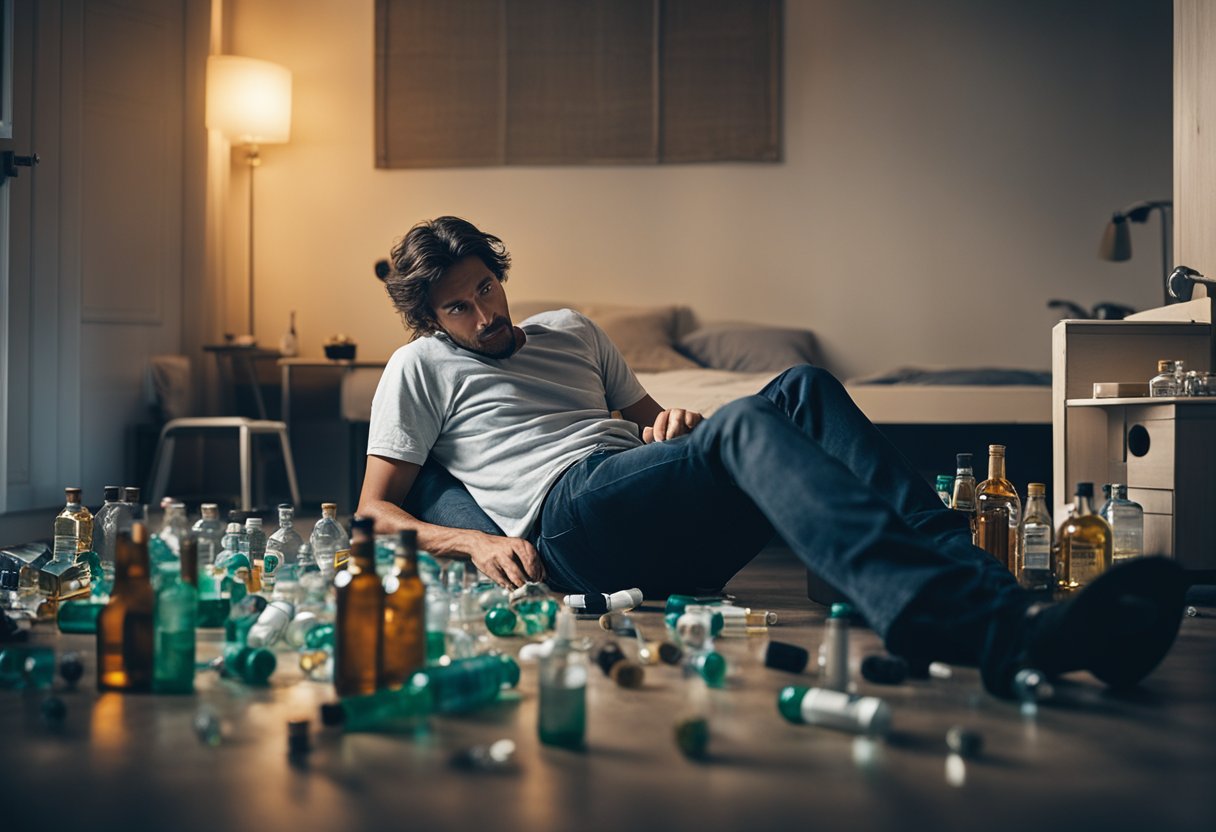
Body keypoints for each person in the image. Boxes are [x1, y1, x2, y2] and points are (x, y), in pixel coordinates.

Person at [357, 216, 1186, 699]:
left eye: (486, 289)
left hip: (640, 503)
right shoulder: (419, 368)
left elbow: (651, 425)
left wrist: (675, 423)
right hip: (571, 521)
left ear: (500, 273)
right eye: (458, 309)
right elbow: (373, 510)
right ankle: (961, 621)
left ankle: (990, 595)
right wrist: (474, 541)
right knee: (748, 421)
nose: (483, 316)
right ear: (433, 320)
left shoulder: (571, 331)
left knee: (802, 388)